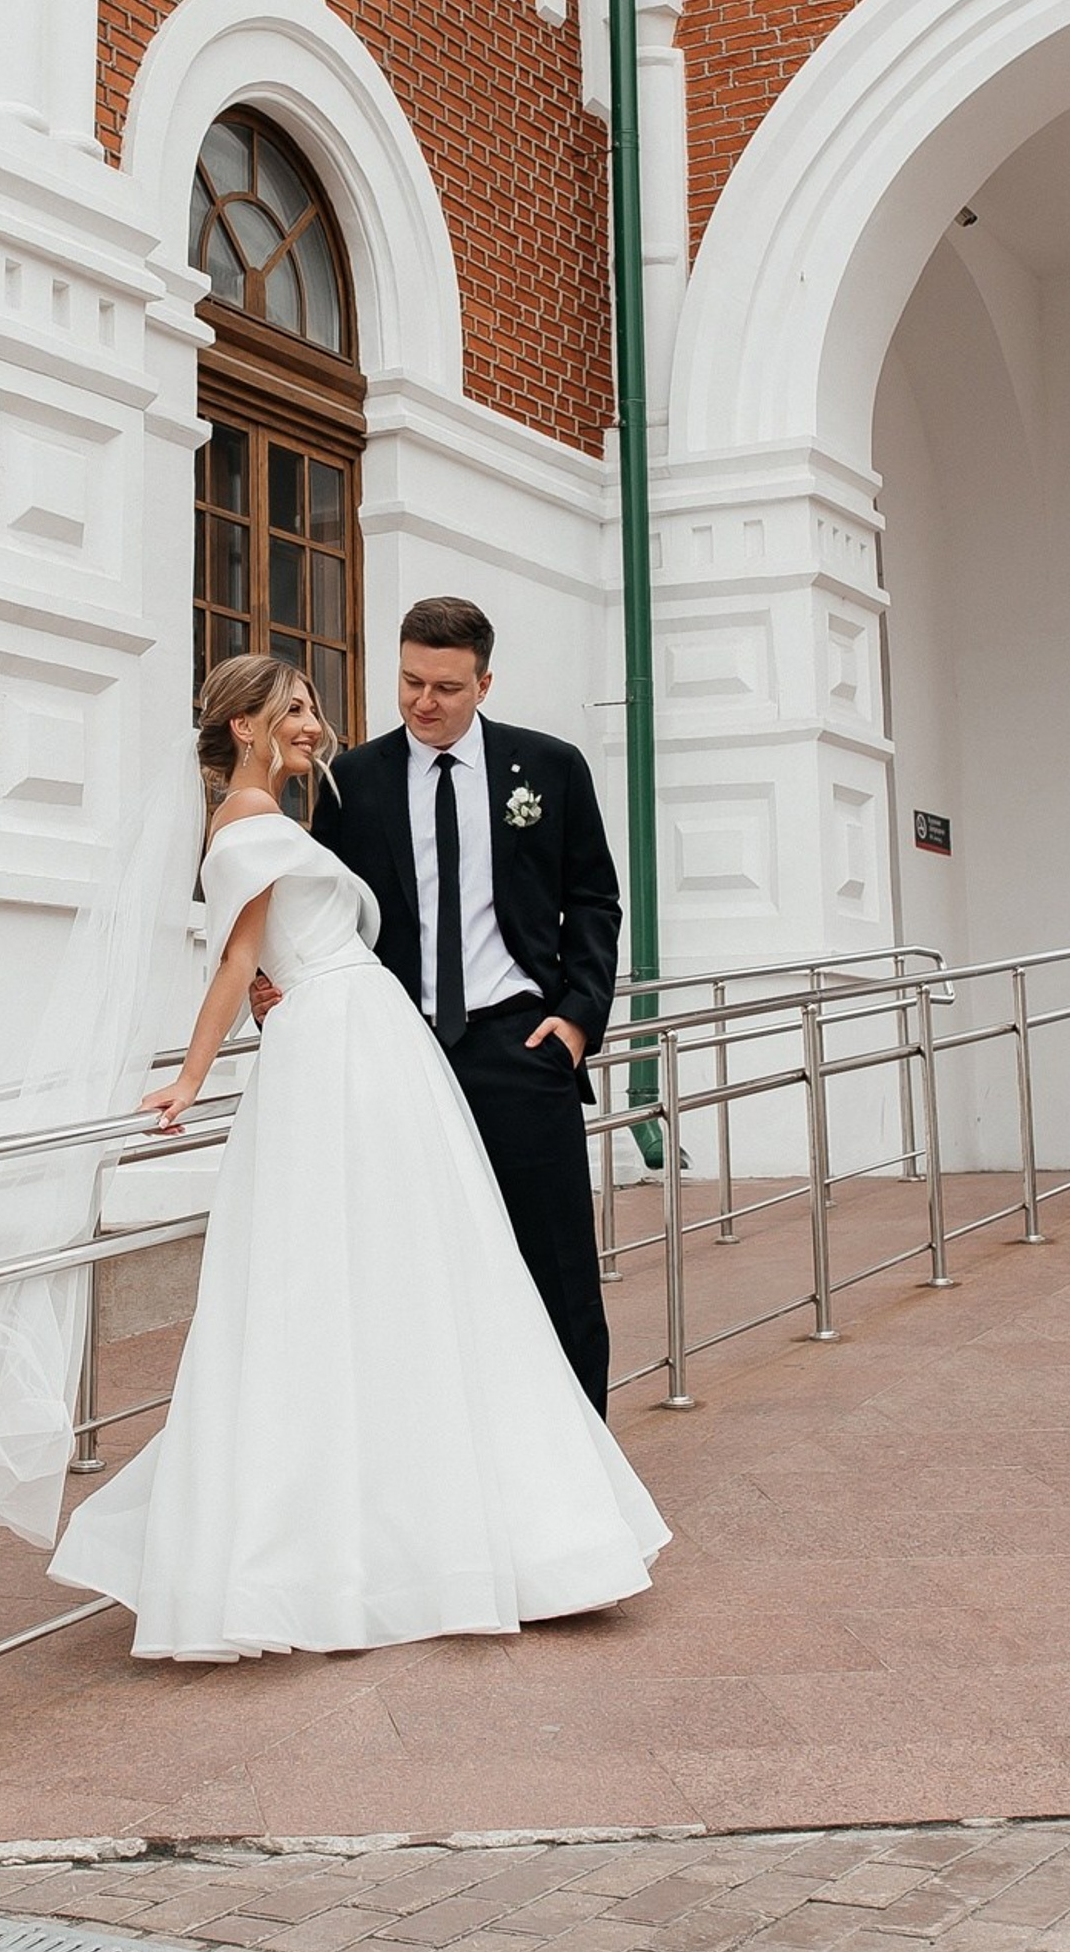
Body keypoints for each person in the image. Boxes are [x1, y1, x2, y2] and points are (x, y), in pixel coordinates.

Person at [46, 653, 665, 1662]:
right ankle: (370, 1543)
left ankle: (425, 1523)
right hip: (336, 1057)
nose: (311, 722)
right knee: (354, 1281)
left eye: (310, 706)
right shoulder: (246, 823)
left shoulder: (284, 817)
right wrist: (193, 1076)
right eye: (291, 709)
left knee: (410, 1280)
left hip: (370, 1051)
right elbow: (240, 958)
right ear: (242, 726)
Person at [293, 597, 621, 1413]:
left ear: (483, 683)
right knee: (410, 1261)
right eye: (409, 682)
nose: (423, 702)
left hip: (520, 1043)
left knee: (555, 1265)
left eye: (445, 686)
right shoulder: (354, 780)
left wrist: (578, 1018)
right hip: (396, 1048)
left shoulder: (550, 768)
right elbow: (324, 908)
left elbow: (593, 901)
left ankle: (582, 1462)